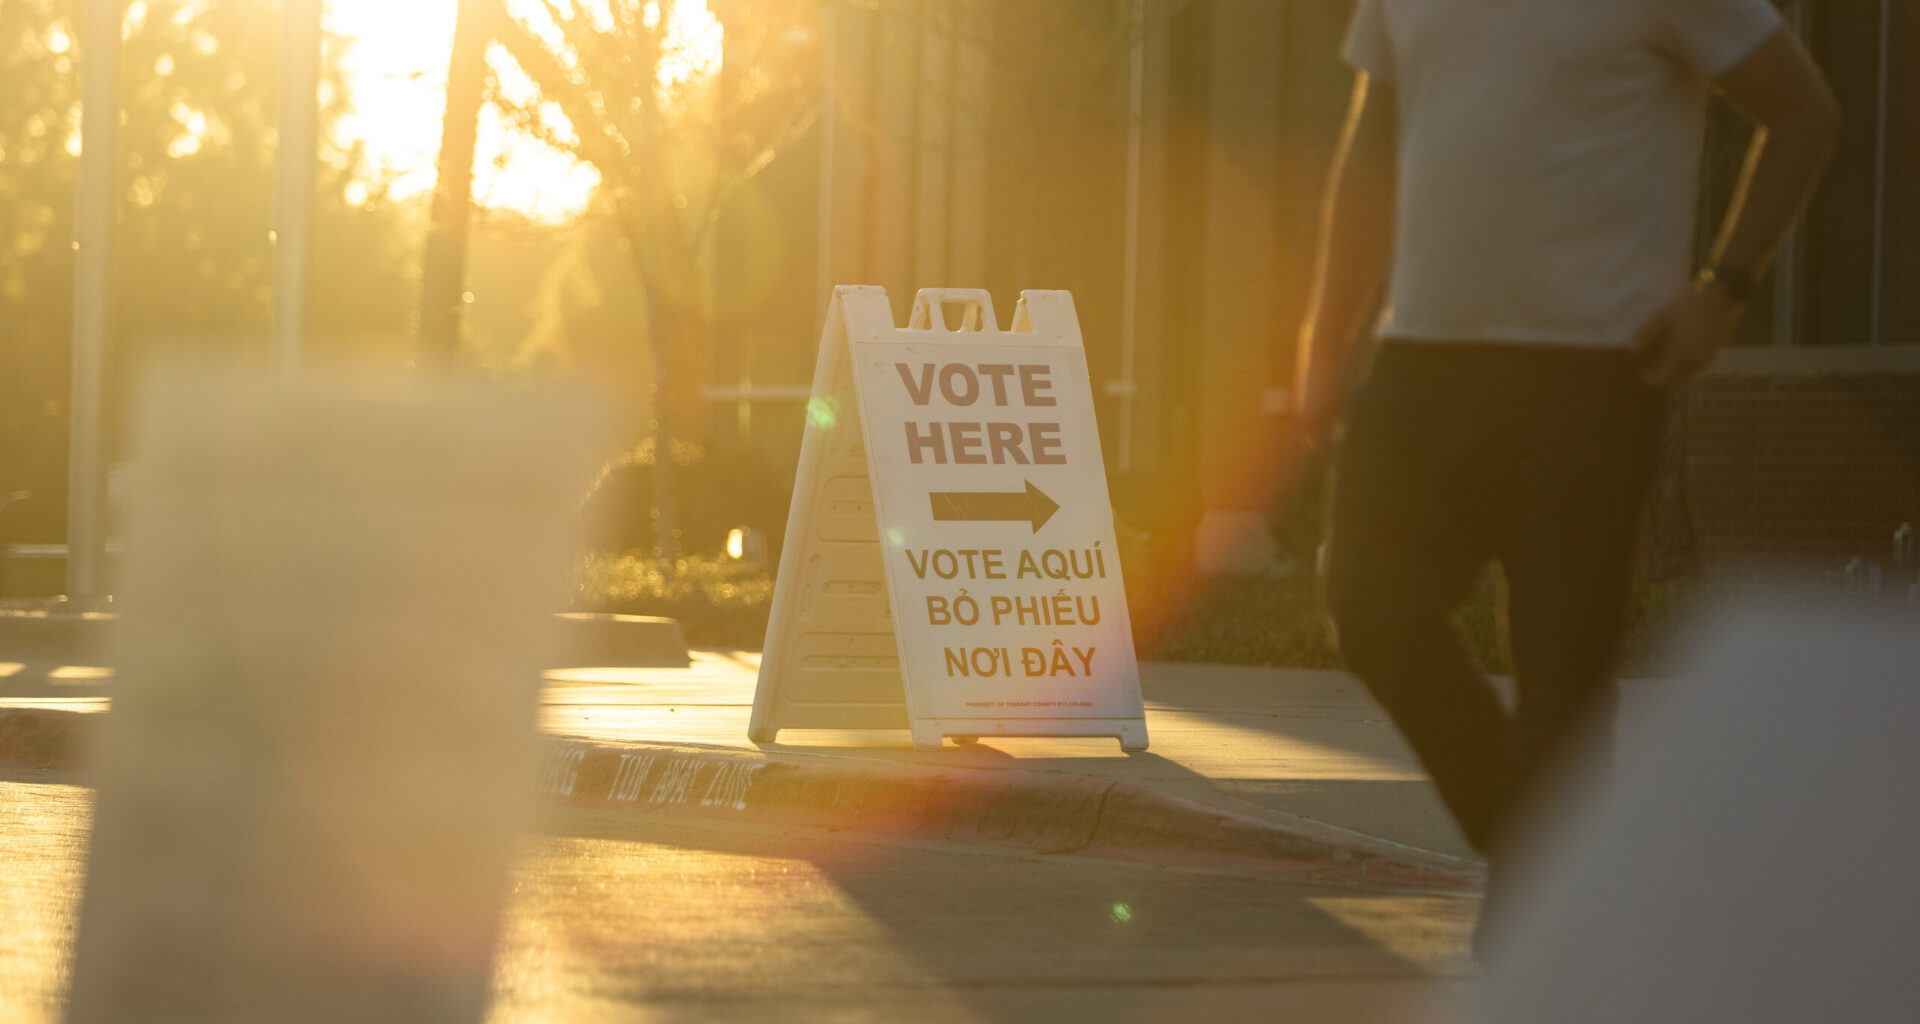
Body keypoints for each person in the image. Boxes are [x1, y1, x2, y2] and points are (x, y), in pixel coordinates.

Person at [1292, 0, 1840, 938]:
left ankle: (1545, 947)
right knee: (1368, 606)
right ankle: (1572, 874)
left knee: (1560, 690)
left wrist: (1725, 291)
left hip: (1588, 373)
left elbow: (1804, 112)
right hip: (1423, 358)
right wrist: (1323, 326)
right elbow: (1374, 136)